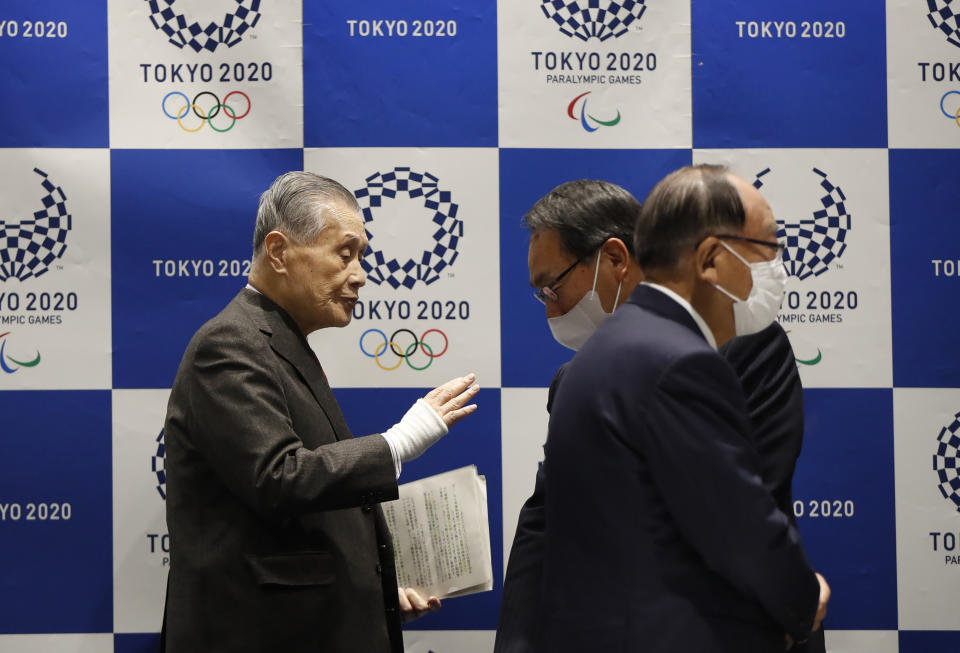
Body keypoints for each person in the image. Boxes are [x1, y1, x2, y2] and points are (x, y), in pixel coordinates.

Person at [496, 178, 826, 652]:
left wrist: (794, 599)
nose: (551, 306)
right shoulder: (581, 372)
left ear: (615, 259)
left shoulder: (738, 347)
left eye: (553, 286)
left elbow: (746, 509)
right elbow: (546, 520)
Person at [161, 172, 480, 653]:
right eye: (344, 253)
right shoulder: (229, 344)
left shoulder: (279, 341)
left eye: (362, 257)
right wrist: (399, 441)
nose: (360, 275)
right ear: (278, 251)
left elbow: (306, 522)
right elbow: (279, 477)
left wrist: (369, 594)